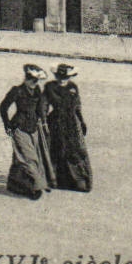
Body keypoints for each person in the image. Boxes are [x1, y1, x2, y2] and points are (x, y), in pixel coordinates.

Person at [0, 64, 54, 200]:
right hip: (19, 127)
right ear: (26, 78)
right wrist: (7, 124)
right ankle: (37, 185)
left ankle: (15, 184)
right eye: (31, 79)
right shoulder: (17, 90)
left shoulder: (37, 91)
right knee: (29, 158)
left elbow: (41, 108)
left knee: (25, 156)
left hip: (34, 128)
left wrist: (44, 122)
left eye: (37, 80)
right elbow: (3, 107)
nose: (34, 83)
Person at [44, 64, 92, 192]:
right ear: (56, 76)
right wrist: (43, 123)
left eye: (65, 77)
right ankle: (53, 179)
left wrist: (82, 121)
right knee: (55, 149)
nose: (62, 79)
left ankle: (78, 180)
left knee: (74, 150)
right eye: (60, 76)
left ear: (70, 76)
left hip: (71, 122)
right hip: (55, 121)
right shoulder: (50, 87)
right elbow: (44, 106)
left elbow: (77, 106)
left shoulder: (73, 87)